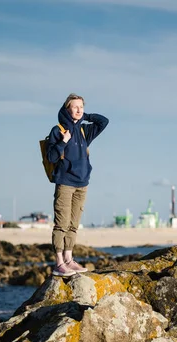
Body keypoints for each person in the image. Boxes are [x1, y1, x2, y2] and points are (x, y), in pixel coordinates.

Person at [46, 93, 109, 277]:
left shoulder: (83, 131)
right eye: (75, 107)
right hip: (65, 183)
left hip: (82, 184)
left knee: (73, 225)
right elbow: (51, 157)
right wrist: (62, 142)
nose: (79, 110)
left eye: (81, 106)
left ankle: (69, 259)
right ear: (67, 109)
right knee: (61, 224)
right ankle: (59, 264)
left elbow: (103, 122)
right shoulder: (58, 130)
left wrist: (86, 117)